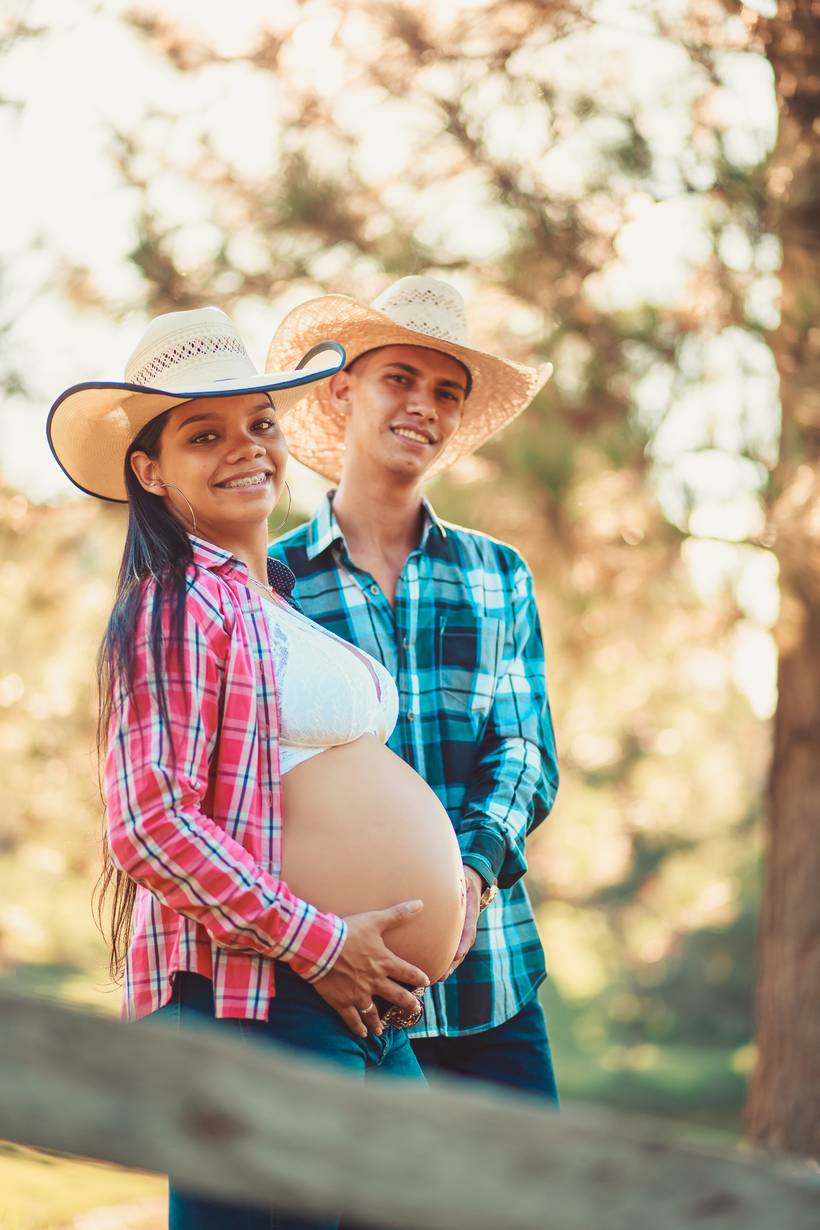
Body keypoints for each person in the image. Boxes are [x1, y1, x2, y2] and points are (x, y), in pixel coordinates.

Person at [46, 306, 464, 1230]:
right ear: (149, 471)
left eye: (260, 424)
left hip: (342, 1000)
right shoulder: (173, 606)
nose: (246, 449)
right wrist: (321, 939)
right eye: (205, 433)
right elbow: (150, 822)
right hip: (255, 997)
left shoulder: (261, 601)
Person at [268, 276, 560, 1103]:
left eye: (446, 392)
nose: (423, 406)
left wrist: (466, 873)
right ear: (342, 389)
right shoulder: (273, 582)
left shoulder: (500, 575)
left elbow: (525, 751)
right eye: (400, 377)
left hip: (491, 986)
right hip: (340, 997)